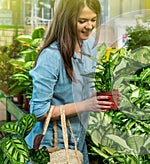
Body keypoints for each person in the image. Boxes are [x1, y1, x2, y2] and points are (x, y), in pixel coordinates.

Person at [25, 0, 119, 163]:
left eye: (93, 19)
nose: (89, 26)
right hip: (52, 147)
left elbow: (83, 90)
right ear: (66, 20)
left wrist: (101, 99)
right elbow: (38, 112)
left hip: (77, 142)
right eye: (82, 21)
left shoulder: (89, 46)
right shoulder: (52, 56)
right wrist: (86, 105)